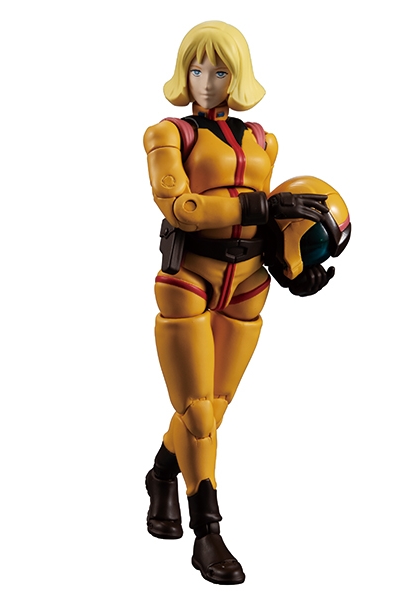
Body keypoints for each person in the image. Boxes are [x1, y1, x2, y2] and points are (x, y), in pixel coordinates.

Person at [143, 20, 336, 585]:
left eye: (220, 71)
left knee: (215, 405)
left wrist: (295, 269)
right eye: (196, 70)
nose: (206, 82)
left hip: (249, 282)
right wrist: (259, 208)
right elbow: (181, 208)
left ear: (238, 76)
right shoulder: (167, 135)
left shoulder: (263, 141)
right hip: (189, 278)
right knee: (198, 410)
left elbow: (275, 225)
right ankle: (207, 530)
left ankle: (161, 472)